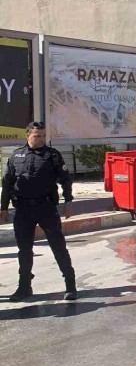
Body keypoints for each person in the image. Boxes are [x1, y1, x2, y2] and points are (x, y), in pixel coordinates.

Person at [0, 121, 77, 301]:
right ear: (27, 136)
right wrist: (3, 207)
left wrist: (68, 201)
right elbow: (7, 183)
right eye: (37, 136)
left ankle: (70, 285)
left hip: (46, 208)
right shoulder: (16, 155)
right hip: (23, 209)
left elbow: (65, 179)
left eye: (43, 136)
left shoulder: (53, 155)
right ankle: (24, 287)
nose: (41, 139)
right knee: (24, 250)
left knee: (58, 246)